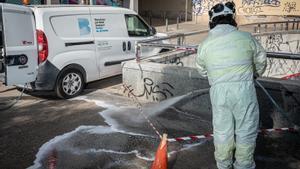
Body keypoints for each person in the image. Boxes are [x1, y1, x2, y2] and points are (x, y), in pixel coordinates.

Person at [195, 2, 267, 169]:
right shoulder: (246, 38)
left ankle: (223, 165)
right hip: (244, 91)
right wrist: (254, 73)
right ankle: (244, 165)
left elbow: (202, 71)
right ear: (233, 19)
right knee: (246, 131)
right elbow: (261, 61)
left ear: (212, 21)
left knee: (222, 132)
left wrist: (217, 77)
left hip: (219, 92)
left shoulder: (204, 44)